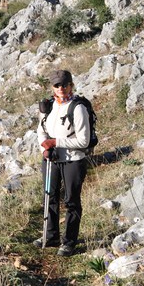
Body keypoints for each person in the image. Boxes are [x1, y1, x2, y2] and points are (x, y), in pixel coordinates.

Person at [35, 69, 91, 256]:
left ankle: (69, 242)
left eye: (65, 85)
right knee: (49, 196)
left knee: (71, 200)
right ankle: (50, 236)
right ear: (52, 87)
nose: (61, 88)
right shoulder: (48, 106)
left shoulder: (78, 107)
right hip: (51, 159)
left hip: (73, 160)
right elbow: (41, 131)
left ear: (71, 85)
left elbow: (83, 141)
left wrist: (56, 142)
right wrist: (45, 148)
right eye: (57, 85)